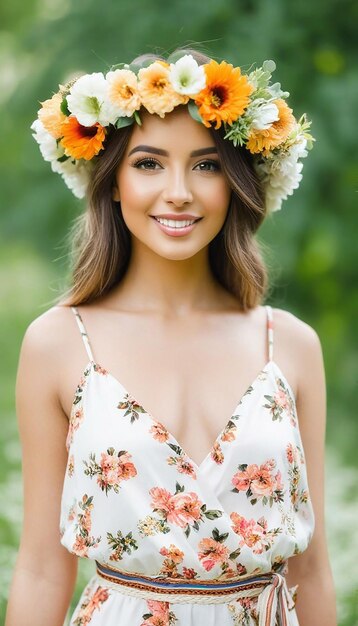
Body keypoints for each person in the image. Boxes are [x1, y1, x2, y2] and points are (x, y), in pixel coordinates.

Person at [6, 47, 336, 625]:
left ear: (237, 184)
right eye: (149, 163)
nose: (179, 191)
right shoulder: (57, 344)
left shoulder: (291, 346)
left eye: (207, 166)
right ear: (110, 183)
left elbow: (311, 570)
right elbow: (39, 565)